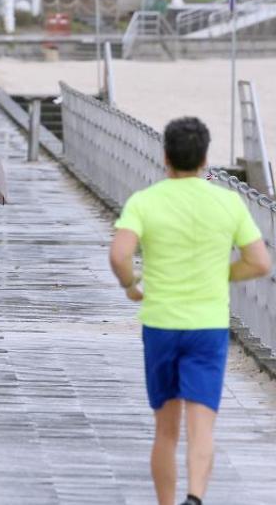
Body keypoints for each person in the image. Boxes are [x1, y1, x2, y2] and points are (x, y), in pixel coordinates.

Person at [109, 118, 271, 505]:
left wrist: (131, 286)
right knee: (202, 427)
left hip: (161, 324)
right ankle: (195, 497)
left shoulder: (145, 201)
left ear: (165, 157)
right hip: (207, 326)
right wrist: (223, 274)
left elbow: (119, 254)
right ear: (204, 159)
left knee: (166, 429)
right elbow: (260, 262)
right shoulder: (228, 201)